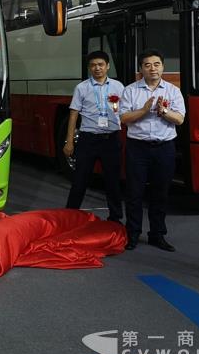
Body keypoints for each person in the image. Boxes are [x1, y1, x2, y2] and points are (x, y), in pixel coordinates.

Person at [119, 49, 185, 252]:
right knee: (134, 192)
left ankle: (157, 235)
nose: (152, 68)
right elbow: (123, 118)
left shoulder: (173, 91)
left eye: (156, 64)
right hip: (137, 148)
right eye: (147, 65)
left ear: (163, 67)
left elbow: (180, 119)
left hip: (164, 147)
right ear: (141, 69)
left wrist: (164, 112)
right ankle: (132, 233)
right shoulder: (130, 90)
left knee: (160, 193)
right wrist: (144, 110)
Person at [63, 50, 124, 222]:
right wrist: (69, 142)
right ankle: (69, 217)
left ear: (108, 66)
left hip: (111, 139)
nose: (97, 68)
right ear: (89, 68)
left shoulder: (118, 87)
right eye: (93, 65)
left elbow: (125, 110)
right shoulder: (82, 87)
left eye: (101, 65)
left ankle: (115, 218)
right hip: (88, 139)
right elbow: (74, 114)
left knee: (112, 181)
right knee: (79, 180)